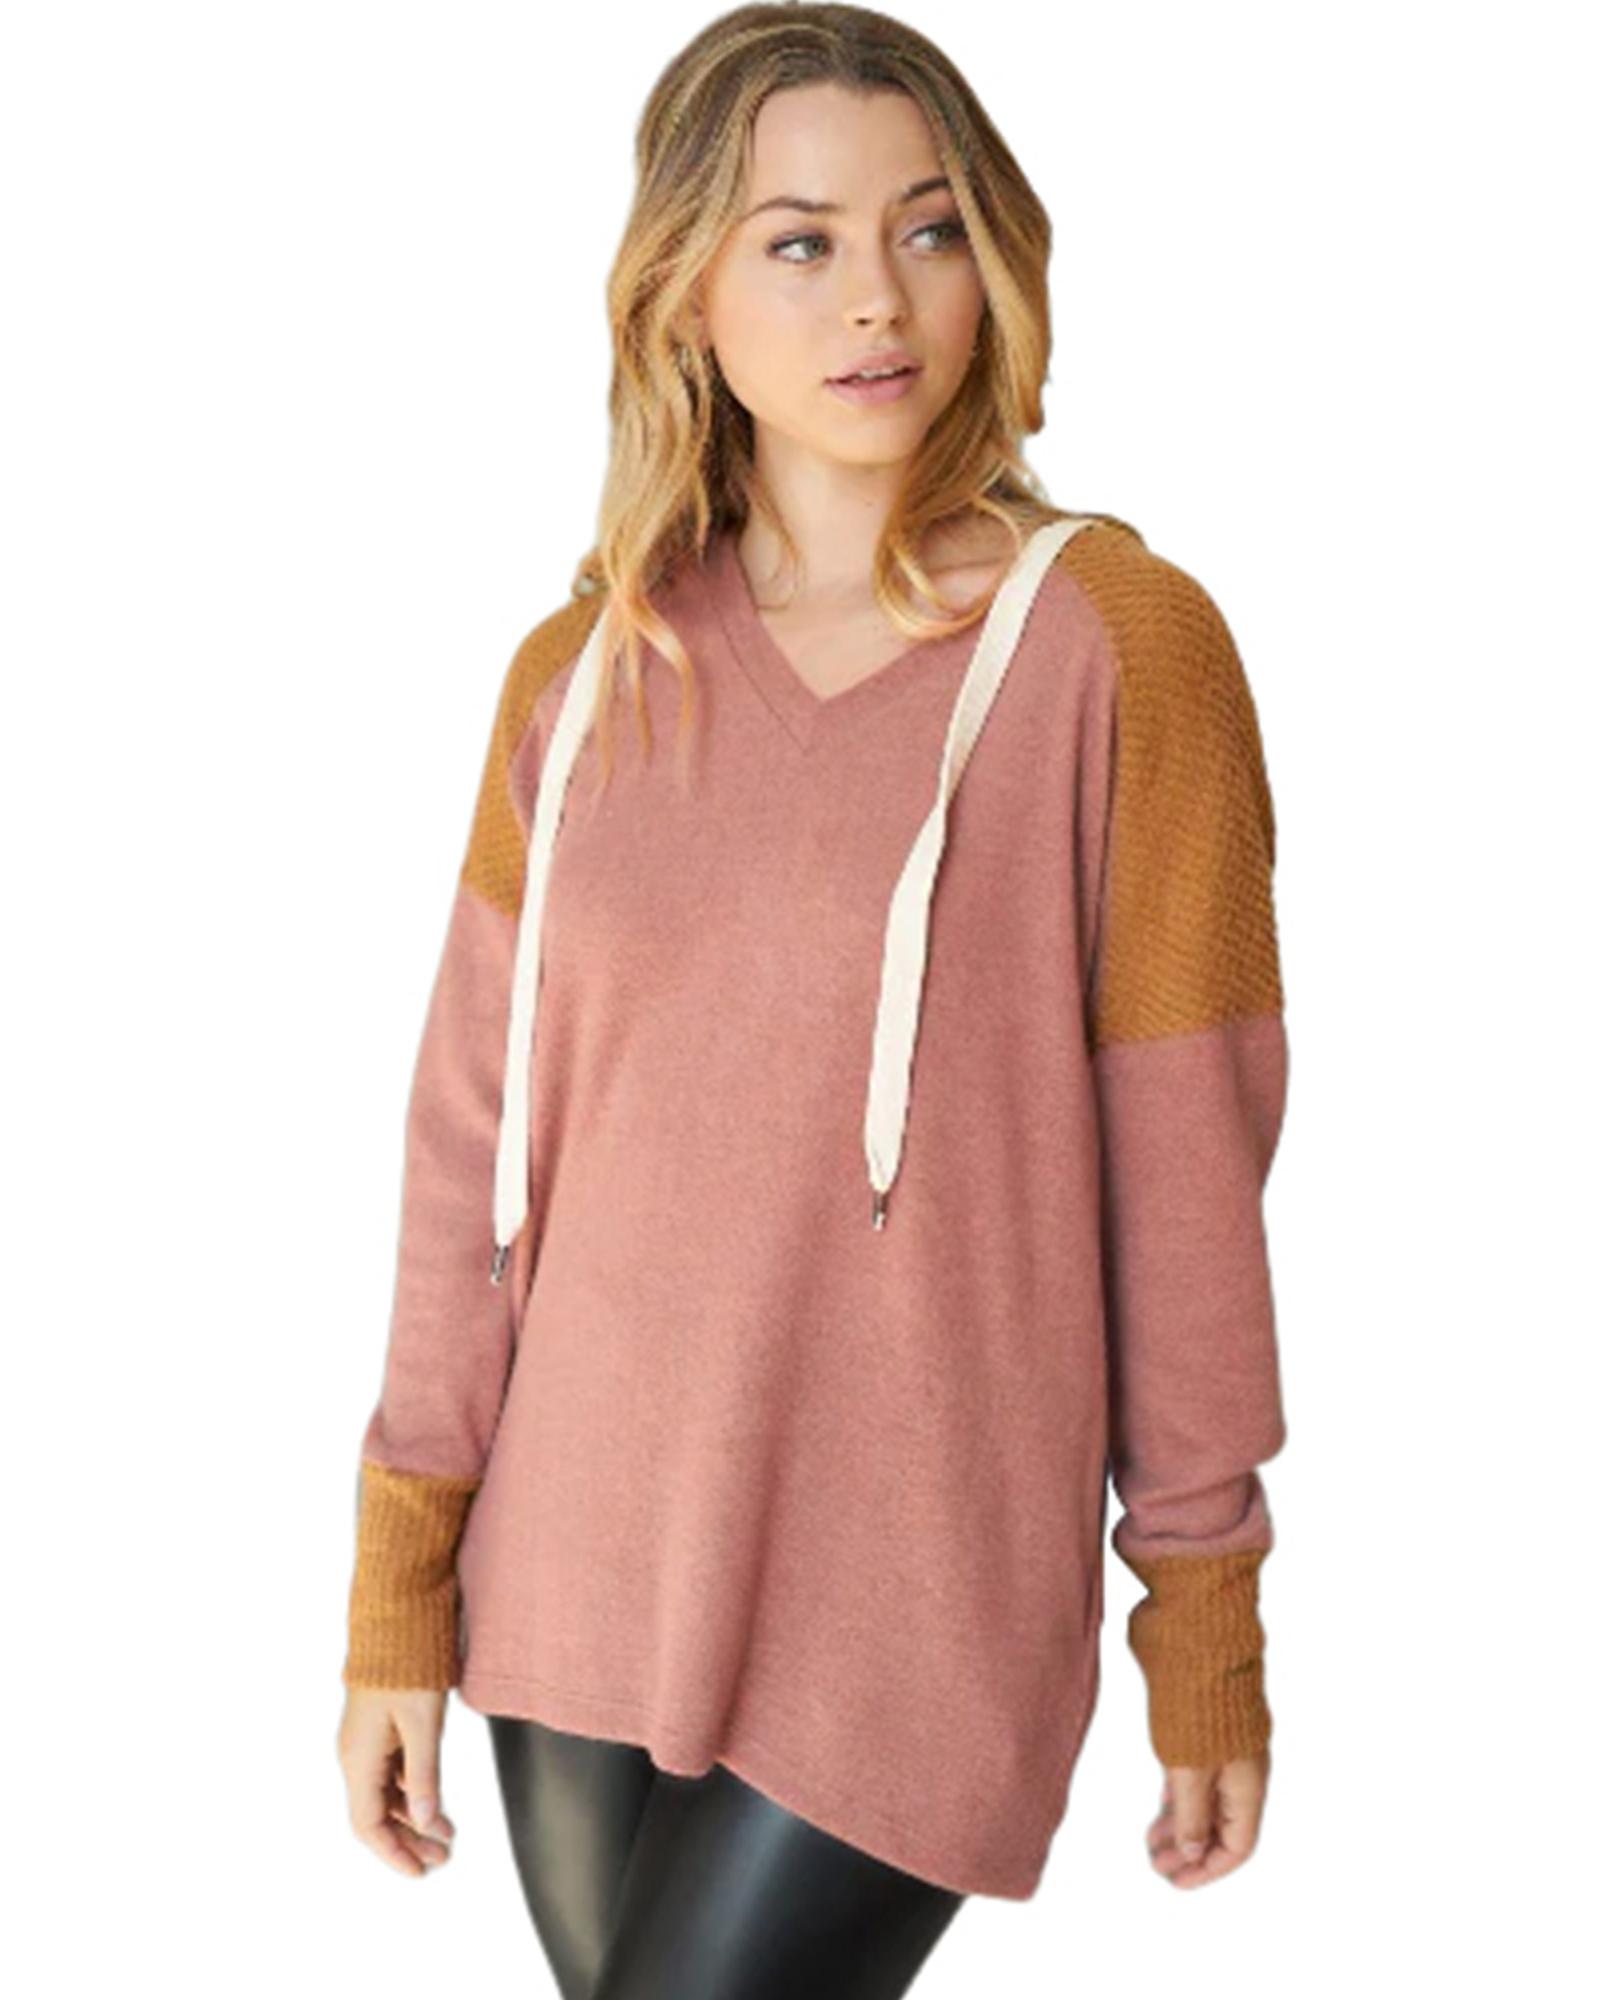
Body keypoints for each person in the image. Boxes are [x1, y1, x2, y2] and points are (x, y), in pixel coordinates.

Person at [335, 6, 1292, 1994]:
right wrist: (396, 1587)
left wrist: (1199, 1609)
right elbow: (467, 1162)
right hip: (580, 1558)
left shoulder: (1119, 646)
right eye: (800, 241)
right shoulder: (580, 681)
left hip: (913, 1589)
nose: (878, 297)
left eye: (927, 231)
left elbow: (1187, 1171)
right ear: (684, 290)